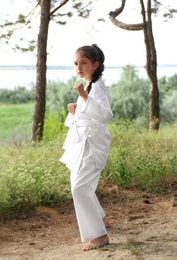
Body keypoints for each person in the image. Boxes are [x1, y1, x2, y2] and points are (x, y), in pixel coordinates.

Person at [59, 44, 113, 251]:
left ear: (95, 65)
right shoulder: (88, 85)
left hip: (92, 143)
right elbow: (86, 114)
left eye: (84, 63)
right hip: (81, 142)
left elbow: (105, 115)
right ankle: (102, 219)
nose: (78, 67)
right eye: (76, 63)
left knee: (79, 187)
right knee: (80, 183)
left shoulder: (96, 87)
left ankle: (99, 235)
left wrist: (83, 97)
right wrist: (74, 110)